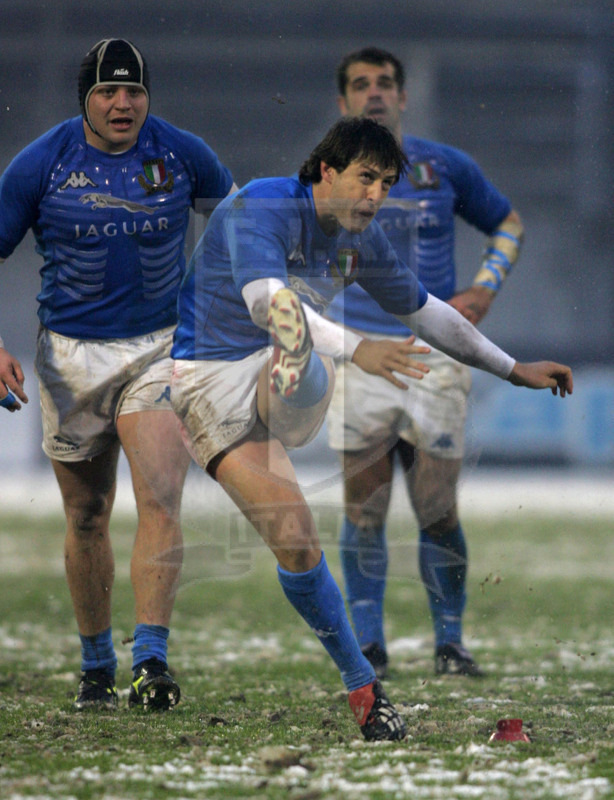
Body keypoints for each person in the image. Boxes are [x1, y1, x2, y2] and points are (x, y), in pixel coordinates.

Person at [170, 115, 571, 740]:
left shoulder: (360, 240)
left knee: (300, 344)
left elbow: (432, 316)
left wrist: (512, 368)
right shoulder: (263, 202)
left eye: (386, 183)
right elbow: (261, 299)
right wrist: (356, 348)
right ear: (325, 170)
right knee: (300, 542)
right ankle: (366, 694)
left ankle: (295, 365)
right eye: (365, 178)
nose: (375, 195)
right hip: (208, 379)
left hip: (284, 381)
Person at [0, 38, 237, 711]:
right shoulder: (41, 164)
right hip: (68, 360)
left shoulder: (181, 153)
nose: (123, 103)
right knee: (86, 515)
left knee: (161, 498)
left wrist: (239, 312)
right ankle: (96, 664)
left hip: (159, 351)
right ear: (87, 100)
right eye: (108, 91)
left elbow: (242, 228)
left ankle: (151, 661)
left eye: (133, 90)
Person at [325, 46, 526, 679]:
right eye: (361, 84)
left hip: (436, 356)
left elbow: (509, 224)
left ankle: (450, 641)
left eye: (386, 83)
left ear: (404, 97)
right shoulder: (331, 175)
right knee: (364, 504)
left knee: (436, 505)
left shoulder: (443, 166)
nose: (375, 93)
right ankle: (369, 643)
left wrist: (485, 287)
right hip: (360, 354)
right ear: (344, 102)